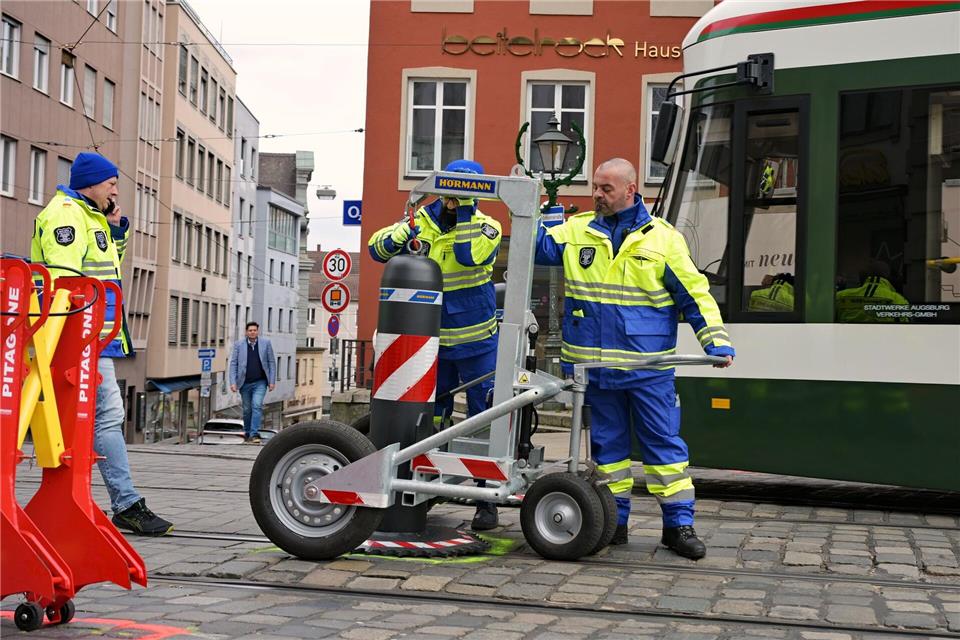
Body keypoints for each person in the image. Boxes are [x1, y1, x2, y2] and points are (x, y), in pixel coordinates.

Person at [535, 158, 734, 559]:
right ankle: (613, 522)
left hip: (648, 370)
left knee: (664, 449)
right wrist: (541, 209)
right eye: (595, 187)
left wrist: (716, 341)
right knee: (608, 454)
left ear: (630, 189)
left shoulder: (663, 239)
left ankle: (678, 527)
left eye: (606, 189)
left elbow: (693, 294)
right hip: (595, 371)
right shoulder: (576, 230)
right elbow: (537, 247)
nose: (597, 195)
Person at [30, 152, 173, 536]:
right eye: (110, 183)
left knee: (95, 419)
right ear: (90, 183)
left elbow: (108, 271)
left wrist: (116, 231)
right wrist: (73, 338)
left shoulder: (90, 216)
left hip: (94, 337)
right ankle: (124, 503)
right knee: (105, 416)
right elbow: (66, 282)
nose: (115, 189)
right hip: (79, 336)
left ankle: (102, 502)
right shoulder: (66, 215)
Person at [368, 159, 502, 531]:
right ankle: (422, 491)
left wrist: (467, 213)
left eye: (463, 191)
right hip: (430, 346)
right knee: (429, 419)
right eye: (451, 190)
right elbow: (375, 248)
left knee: (482, 420)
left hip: (477, 343)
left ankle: (485, 497)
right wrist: (397, 238)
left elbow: (468, 255)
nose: (454, 198)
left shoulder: (487, 227)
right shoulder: (419, 220)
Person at [229, 322, 276, 443]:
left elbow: (271, 362)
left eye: (254, 330)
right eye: (250, 330)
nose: (252, 332)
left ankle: (254, 434)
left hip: (260, 382)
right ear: (246, 332)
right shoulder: (238, 345)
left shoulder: (266, 343)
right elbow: (233, 363)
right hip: (244, 383)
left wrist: (271, 381)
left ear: (258, 331)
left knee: (256, 405)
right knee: (246, 409)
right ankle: (247, 431)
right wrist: (233, 382)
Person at [836, 260, 909, 322]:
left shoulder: (840, 296)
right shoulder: (897, 299)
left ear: (865, 276)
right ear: (889, 278)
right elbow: (906, 326)